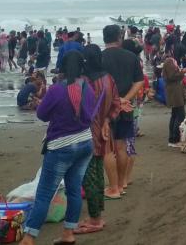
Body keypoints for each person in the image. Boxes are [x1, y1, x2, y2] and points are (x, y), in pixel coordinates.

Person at [20, 52, 97, 245]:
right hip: (85, 142)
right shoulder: (88, 88)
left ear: (61, 67)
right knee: (73, 190)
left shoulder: (56, 90)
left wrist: (43, 105)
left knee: (45, 193)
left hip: (61, 145)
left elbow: (42, 115)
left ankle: (29, 238)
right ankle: (68, 233)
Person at [77, 43, 119, 236]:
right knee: (97, 175)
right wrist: (107, 121)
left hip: (85, 135)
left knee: (89, 178)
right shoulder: (108, 79)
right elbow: (116, 104)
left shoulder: (82, 81)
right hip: (103, 133)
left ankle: (95, 219)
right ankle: (97, 215)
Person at [100, 24, 143, 200]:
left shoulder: (99, 58)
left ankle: (113, 187)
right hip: (126, 107)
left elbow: (96, 84)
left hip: (105, 108)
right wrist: (125, 98)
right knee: (122, 146)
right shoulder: (131, 57)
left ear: (104, 38)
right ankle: (121, 184)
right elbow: (139, 81)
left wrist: (116, 101)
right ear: (120, 37)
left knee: (108, 149)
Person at [163, 56, 186, 147]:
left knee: (175, 115)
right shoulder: (169, 61)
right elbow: (172, 76)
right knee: (180, 115)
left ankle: (172, 138)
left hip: (174, 91)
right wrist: (182, 72)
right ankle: (174, 139)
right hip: (174, 92)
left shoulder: (170, 61)